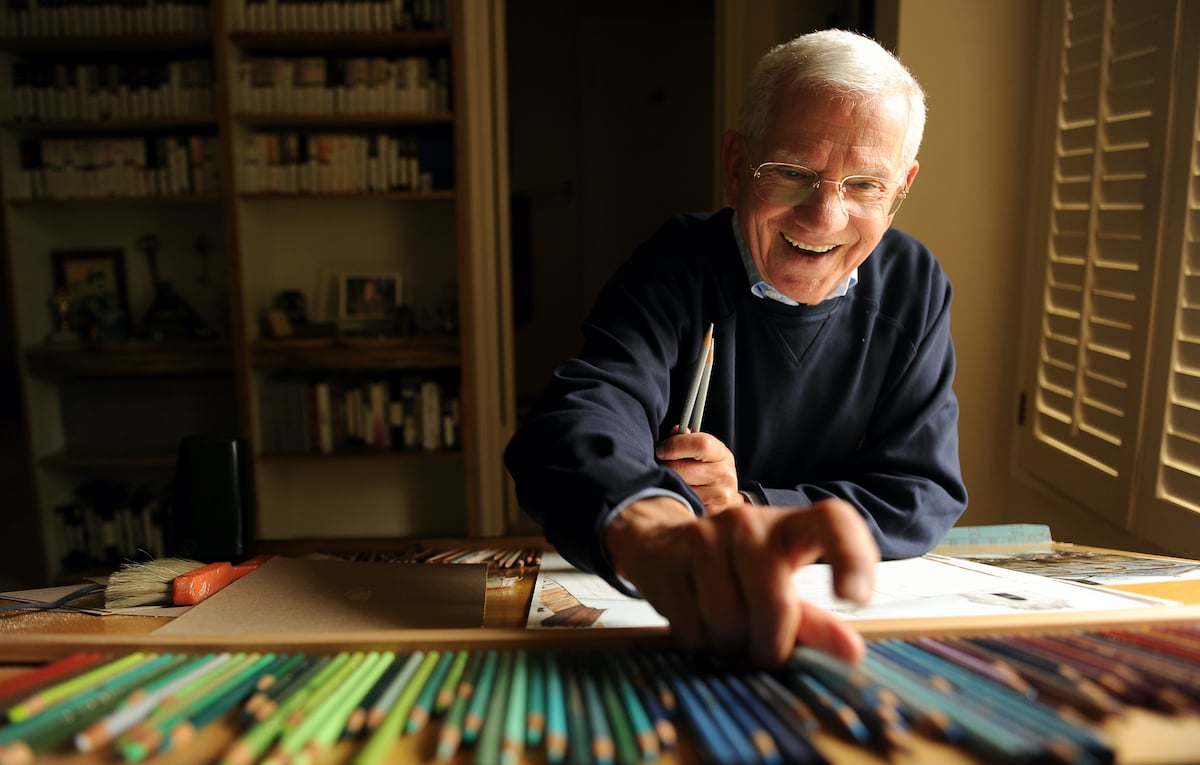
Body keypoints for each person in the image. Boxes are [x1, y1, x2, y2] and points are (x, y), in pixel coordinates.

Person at [504, 29, 968, 668]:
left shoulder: (915, 284)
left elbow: (922, 490)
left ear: (901, 188)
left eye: (864, 185)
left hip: (852, 633)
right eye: (792, 173)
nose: (823, 217)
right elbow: (577, 419)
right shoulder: (678, 263)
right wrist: (657, 527)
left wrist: (751, 507)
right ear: (734, 164)